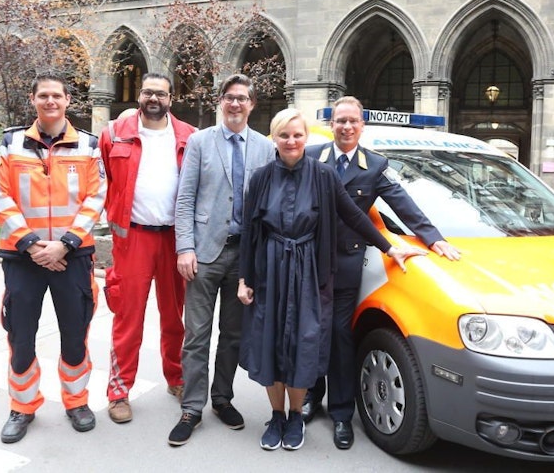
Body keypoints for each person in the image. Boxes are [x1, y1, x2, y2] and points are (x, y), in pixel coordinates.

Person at [236, 108, 426, 451]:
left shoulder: (323, 176)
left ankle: (296, 415)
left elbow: (353, 215)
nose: (291, 141)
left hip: (309, 270)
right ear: (275, 139)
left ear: (306, 138)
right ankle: (276, 415)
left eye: (297, 135)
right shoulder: (261, 178)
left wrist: (390, 247)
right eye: (284, 135)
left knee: (302, 344)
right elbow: (250, 231)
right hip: (270, 271)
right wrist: (244, 279)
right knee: (271, 343)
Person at [303, 96, 460, 449]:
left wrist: (433, 240)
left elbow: (405, 204)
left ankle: (342, 413)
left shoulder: (374, 165)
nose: (346, 127)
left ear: (362, 126)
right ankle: (312, 393)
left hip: (345, 263)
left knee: (341, 335)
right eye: (340, 121)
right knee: (313, 329)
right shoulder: (313, 158)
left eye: (353, 122)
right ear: (332, 125)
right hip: (310, 262)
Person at [0, 73, 106, 444]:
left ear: (69, 100)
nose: (50, 101)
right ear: (33, 99)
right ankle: (22, 407)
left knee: (75, 334)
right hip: (23, 259)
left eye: (57, 95)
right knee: (20, 336)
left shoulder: (88, 146)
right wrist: (34, 247)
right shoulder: (11, 144)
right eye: (44, 95)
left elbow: (96, 197)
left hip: (72, 257)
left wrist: (65, 245)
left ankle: (77, 402)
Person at [168, 74, 275, 446]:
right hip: (204, 253)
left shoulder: (265, 148)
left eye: (242, 99)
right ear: (220, 101)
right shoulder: (199, 142)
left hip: (243, 257)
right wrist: (185, 247)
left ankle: (222, 399)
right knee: (196, 334)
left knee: (232, 334)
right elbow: (184, 198)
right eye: (229, 98)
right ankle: (192, 408)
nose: (234, 104)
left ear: (252, 105)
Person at [100, 73, 198, 424]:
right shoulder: (114, 133)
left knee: (174, 317)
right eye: (147, 92)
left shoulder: (190, 136)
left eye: (161, 93)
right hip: (133, 239)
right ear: (139, 96)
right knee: (128, 318)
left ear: (171, 98)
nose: (153, 98)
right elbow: (104, 183)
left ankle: (177, 378)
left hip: (175, 239)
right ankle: (119, 391)